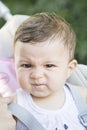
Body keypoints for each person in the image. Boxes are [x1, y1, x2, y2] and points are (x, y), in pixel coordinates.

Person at [0, 12, 87, 130]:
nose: (36, 75)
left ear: (69, 69)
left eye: (49, 65)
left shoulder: (82, 96)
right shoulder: (11, 107)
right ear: (15, 65)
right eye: (26, 65)